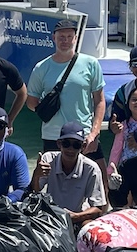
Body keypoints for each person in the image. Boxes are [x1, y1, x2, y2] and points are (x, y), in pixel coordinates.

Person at [25, 18, 106, 157]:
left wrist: (94, 132)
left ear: (75, 38)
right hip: (53, 136)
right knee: (54, 178)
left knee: (99, 177)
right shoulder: (41, 68)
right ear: (53, 38)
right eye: (61, 37)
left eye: (69, 37)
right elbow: (31, 102)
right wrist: (47, 108)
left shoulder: (91, 63)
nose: (65, 41)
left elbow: (99, 101)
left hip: (84, 135)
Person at [28, 120, 108, 229]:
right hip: (51, 218)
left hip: (78, 219)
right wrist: (36, 175)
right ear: (59, 144)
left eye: (76, 145)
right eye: (66, 144)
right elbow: (34, 193)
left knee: (89, 226)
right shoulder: (48, 159)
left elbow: (98, 208)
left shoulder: (91, 168)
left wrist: (75, 217)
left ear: (83, 147)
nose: (70, 149)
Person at [106, 85, 137, 177]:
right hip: (127, 170)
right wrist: (111, 170)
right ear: (128, 104)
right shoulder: (123, 125)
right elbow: (116, 149)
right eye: (134, 100)